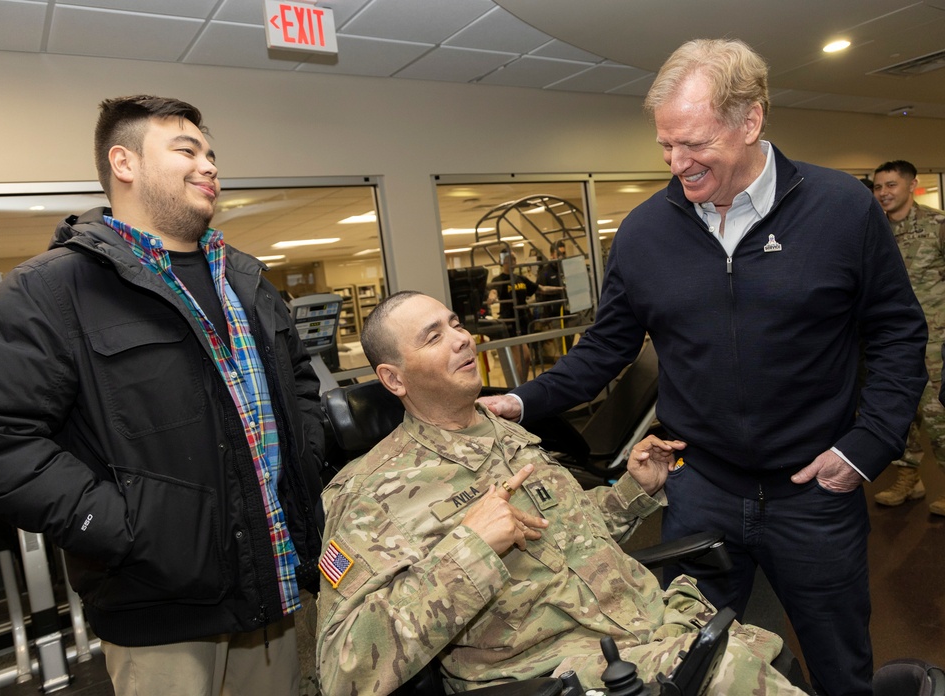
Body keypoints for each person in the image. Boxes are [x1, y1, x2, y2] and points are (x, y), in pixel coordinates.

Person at [480, 39, 927, 696]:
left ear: (751, 120)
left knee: (840, 666)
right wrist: (517, 403)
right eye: (665, 146)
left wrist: (866, 447)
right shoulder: (643, 232)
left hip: (815, 492)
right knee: (686, 665)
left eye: (692, 143)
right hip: (701, 490)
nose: (676, 163)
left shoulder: (842, 209)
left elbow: (898, 332)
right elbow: (603, 352)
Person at [0, 95, 326, 696]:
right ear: (124, 163)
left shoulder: (246, 279)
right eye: (187, 150)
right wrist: (118, 525)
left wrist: (306, 453)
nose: (209, 166)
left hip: (275, 591)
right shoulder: (50, 291)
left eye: (211, 154)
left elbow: (300, 384)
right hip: (160, 614)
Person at [315, 290, 808, 696]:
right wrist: (472, 549)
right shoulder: (369, 494)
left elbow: (570, 535)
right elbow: (343, 670)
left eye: (456, 324)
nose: (463, 340)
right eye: (434, 336)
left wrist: (634, 490)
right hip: (558, 669)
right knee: (740, 676)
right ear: (393, 378)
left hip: (645, 624)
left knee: (767, 652)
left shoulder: (507, 434)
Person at [872, 160, 945, 515]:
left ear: (912, 185)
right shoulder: (873, 230)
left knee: (938, 414)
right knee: (900, 413)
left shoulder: (938, 225)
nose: (884, 193)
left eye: (891, 185)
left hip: (936, 340)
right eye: (878, 187)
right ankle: (909, 479)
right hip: (891, 341)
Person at [491, 248, 559, 382]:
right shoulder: (499, 279)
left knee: (523, 360)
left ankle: (518, 386)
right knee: (525, 357)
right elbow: (493, 291)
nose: (512, 262)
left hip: (523, 322)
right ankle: (518, 387)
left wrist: (562, 289)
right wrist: (491, 297)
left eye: (514, 259)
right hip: (510, 323)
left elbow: (541, 289)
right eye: (509, 260)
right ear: (502, 262)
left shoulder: (520, 279)